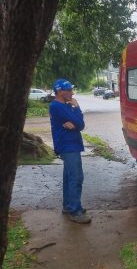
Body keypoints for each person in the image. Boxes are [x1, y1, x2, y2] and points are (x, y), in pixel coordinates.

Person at [49, 79, 91, 224]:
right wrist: (77, 107)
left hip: (70, 145)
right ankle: (75, 211)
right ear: (60, 92)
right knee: (76, 178)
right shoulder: (57, 106)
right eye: (69, 90)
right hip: (68, 146)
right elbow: (81, 123)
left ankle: (68, 206)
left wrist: (73, 113)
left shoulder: (64, 105)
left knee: (69, 177)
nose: (72, 93)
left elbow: (78, 125)